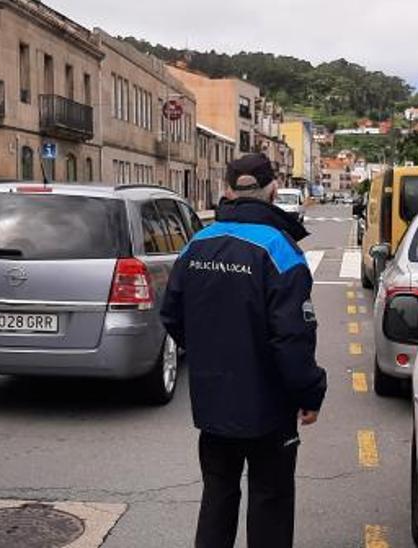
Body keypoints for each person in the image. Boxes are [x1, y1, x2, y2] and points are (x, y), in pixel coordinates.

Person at [161, 153, 328, 548]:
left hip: (213, 402)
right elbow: (293, 338)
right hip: (269, 408)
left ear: (226, 189)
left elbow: (171, 314)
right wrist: (309, 392)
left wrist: (209, 353)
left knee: (217, 497)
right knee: (270, 501)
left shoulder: (197, 244)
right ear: (272, 188)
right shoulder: (280, 249)